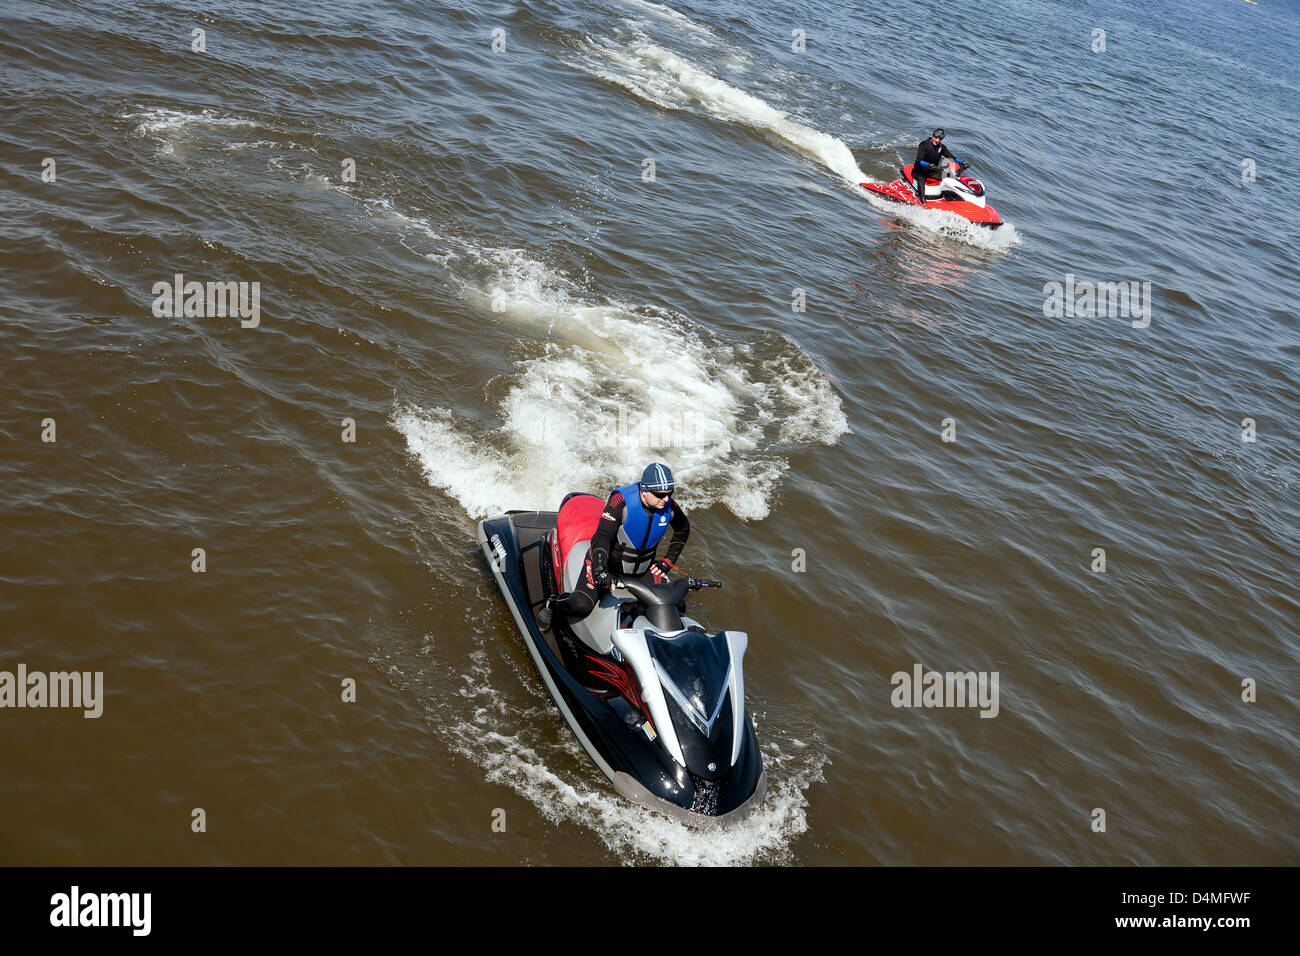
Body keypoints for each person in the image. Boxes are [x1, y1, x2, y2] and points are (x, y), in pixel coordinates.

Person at [536, 463, 690, 632]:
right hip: (608, 565)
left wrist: (667, 562)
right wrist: (601, 570)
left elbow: (683, 529)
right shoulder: (620, 502)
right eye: (661, 495)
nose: (666, 499)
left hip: (642, 571)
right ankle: (552, 603)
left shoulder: (668, 505)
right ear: (644, 491)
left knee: (676, 604)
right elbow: (602, 536)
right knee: (581, 605)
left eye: (670, 494)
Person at [913, 128, 963, 202]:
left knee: (949, 176)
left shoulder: (942, 147)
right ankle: (922, 201)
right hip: (919, 171)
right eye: (936, 138)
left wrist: (961, 162)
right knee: (921, 180)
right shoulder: (924, 145)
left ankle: (952, 196)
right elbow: (919, 160)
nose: (937, 140)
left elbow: (951, 157)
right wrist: (928, 165)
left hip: (933, 171)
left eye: (939, 139)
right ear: (932, 136)